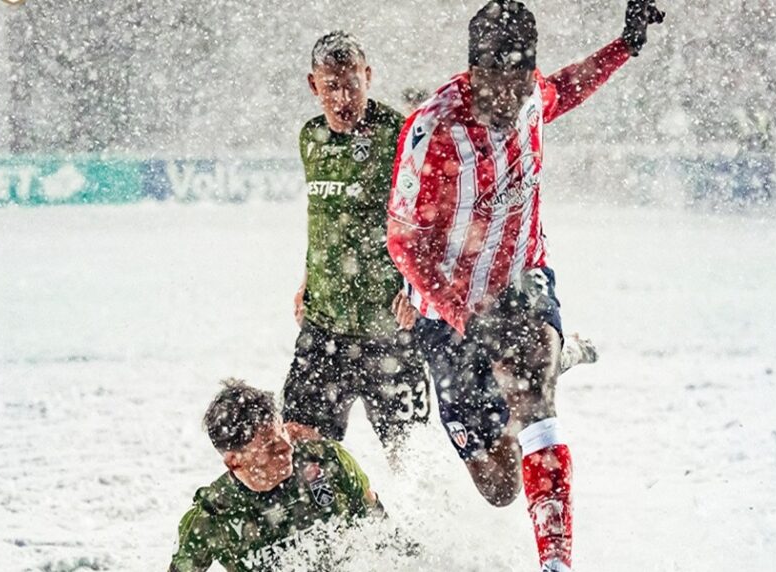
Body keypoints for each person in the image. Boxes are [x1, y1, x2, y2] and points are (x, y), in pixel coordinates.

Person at [386, 2, 664, 571]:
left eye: (521, 81)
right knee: (498, 486)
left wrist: (624, 45)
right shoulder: (433, 130)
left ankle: (557, 562)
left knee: (532, 395)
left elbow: (566, 88)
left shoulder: (531, 95)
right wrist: (462, 313)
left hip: (520, 280)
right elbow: (403, 241)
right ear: (475, 72)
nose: (511, 98)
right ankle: (546, 364)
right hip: (448, 312)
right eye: (498, 84)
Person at [282, 31, 431, 466]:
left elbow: (428, 223)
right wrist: (307, 282)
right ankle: (334, 531)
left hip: (389, 326)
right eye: (331, 86)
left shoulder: (400, 136)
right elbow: (325, 219)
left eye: (352, 83)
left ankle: (425, 534)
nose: (343, 96)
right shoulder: (310, 138)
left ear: (368, 77)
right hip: (324, 324)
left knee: (411, 461)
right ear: (314, 85)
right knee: (302, 450)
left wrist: (416, 292)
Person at [169, 379, 383, 572]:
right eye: (270, 446)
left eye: (283, 433)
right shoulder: (213, 516)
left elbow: (382, 532)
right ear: (234, 461)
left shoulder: (327, 460)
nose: (287, 447)